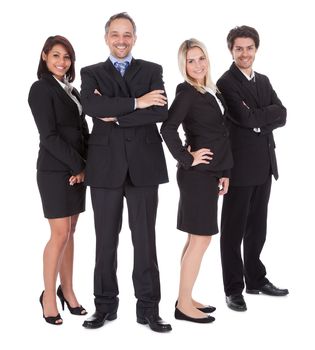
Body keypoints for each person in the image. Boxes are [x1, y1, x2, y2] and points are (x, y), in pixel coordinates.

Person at [80, 12, 171, 332]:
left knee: (146, 240)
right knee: (105, 241)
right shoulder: (90, 72)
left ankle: (149, 308)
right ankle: (104, 305)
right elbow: (91, 108)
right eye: (116, 34)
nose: (121, 40)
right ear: (106, 37)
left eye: (127, 35)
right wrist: (138, 102)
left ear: (135, 38)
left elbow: (161, 110)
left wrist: (117, 114)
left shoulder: (152, 69)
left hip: (144, 166)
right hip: (105, 168)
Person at [161, 39, 233, 323]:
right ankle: (183, 307)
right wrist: (186, 157)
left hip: (212, 172)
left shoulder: (211, 90)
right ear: (183, 64)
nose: (198, 64)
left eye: (201, 58)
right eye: (191, 60)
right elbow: (167, 128)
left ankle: (186, 297)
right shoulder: (187, 92)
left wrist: (225, 171)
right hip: (196, 176)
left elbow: (221, 134)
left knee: (195, 239)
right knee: (201, 240)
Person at [217, 25, 288, 312]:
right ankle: (233, 289)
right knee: (233, 230)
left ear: (255, 49)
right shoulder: (226, 82)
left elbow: (282, 113)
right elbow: (243, 118)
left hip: (264, 165)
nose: (245, 53)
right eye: (239, 49)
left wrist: (260, 119)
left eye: (249, 48)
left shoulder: (264, 80)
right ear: (231, 51)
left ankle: (255, 279)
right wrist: (259, 119)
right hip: (239, 167)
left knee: (257, 227)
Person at [28, 35, 89, 325]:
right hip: (55, 171)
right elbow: (49, 136)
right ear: (44, 56)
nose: (62, 62)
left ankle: (68, 290)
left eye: (66, 57)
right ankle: (49, 296)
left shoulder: (72, 91)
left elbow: (82, 130)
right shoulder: (41, 89)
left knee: (71, 231)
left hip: (78, 170)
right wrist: (78, 165)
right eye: (56, 56)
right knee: (60, 233)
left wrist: (87, 167)